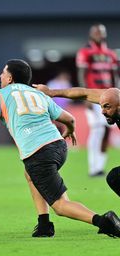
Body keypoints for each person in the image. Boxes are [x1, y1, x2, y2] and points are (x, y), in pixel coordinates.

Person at [0, 59, 120, 238]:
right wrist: (69, 129)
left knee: (60, 205)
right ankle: (44, 224)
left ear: (10, 78)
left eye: (3, 72)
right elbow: (72, 115)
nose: (0, 75)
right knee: (31, 174)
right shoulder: (38, 94)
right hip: (58, 146)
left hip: (38, 152)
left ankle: (104, 221)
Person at [34, 84, 120, 199]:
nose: (102, 112)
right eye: (102, 106)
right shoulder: (112, 97)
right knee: (115, 177)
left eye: (107, 107)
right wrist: (51, 92)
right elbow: (84, 93)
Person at [76, 24, 118, 177]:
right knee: (98, 129)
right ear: (91, 34)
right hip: (94, 96)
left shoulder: (110, 54)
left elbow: (115, 77)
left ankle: (100, 166)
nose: (99, 35)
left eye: (101, 32)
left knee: (106, 130)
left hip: (109, 96)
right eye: (96, 32)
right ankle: (93, 167)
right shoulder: (85, 51)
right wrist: (84, 95)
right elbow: (82, 73)